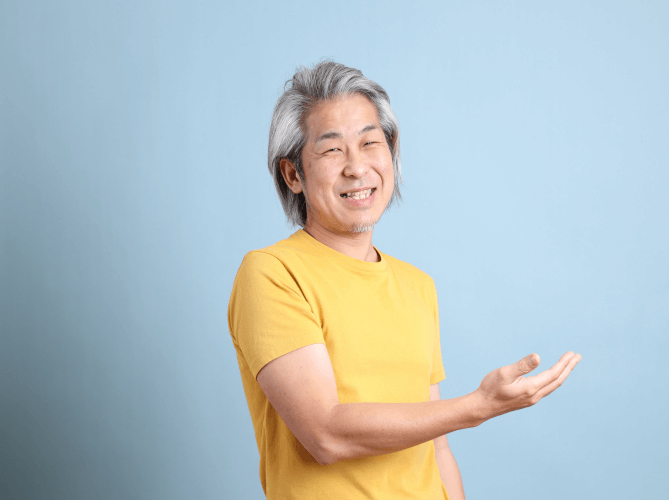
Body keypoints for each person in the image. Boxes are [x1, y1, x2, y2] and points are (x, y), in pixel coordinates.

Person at [228, 61, 582, 500]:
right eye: (332, 150)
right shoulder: (271, 274)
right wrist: (476, 407)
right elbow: (326, 434)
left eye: (370, 143)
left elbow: (437, 447)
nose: (357, 168)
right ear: (293, 174)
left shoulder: (417, 286)